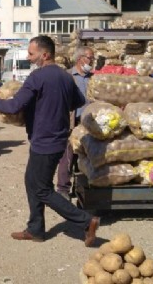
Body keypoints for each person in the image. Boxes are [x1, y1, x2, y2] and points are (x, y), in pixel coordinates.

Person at [0, 35, 99, 246]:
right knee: (32, 181)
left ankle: (86, 221)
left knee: (42, 188)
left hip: (44, 142)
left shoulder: (37, 77)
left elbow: (14, 106)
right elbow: (78, 101)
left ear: (45, 54)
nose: (29, 58)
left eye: (32, 54)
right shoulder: (66, 77)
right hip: (58, 140)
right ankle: (36, 229)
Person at [56, 46, 95, 200]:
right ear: (81, 59)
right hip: (72, 122)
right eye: (90, 58)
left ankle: (83, 185)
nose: (92, 61)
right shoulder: (67, 76)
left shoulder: (93, 78)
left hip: (90, 123)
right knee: (68, 155)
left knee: (87, 155)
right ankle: (63, 189)